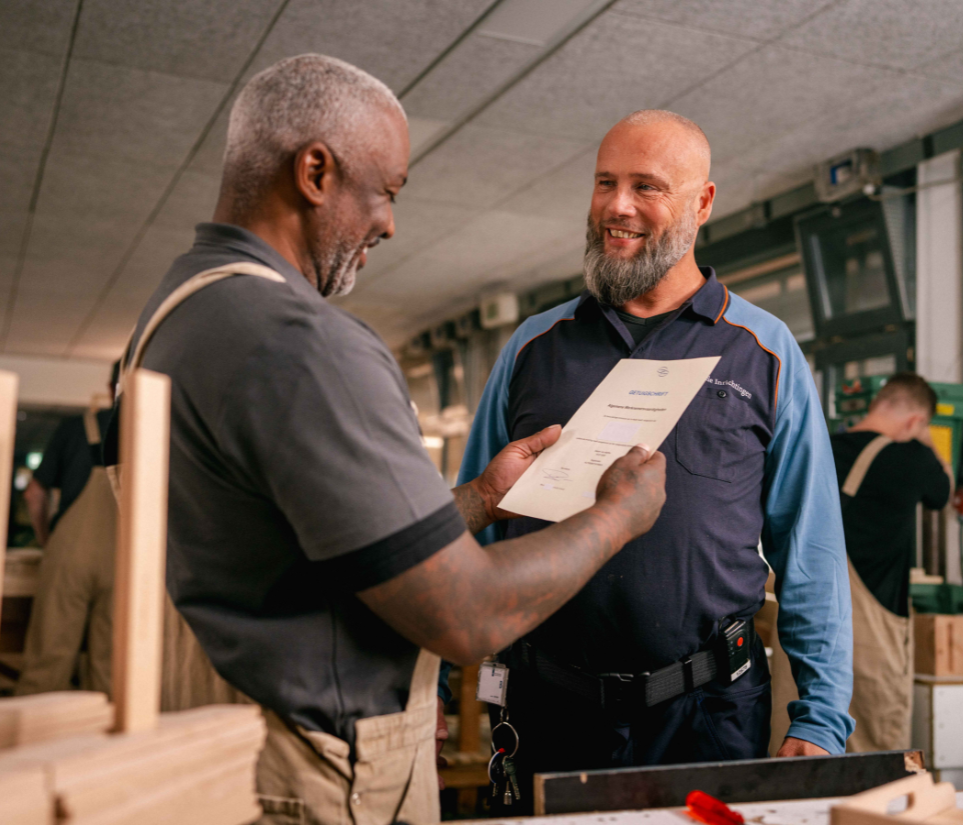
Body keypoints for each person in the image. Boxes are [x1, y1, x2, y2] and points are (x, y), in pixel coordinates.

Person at [109, 54, 666, 825]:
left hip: (204, 752)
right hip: (307, 776)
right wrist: (616, 517)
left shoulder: (173, 316)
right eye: (386, 193)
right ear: (314, 172)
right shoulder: (306, 344)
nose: (390, 223)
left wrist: (478, 498)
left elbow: (303, 539)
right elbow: (465, 616)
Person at [458, 109, 854, 808]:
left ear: (701, 203)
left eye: (646, 186)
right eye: (604, 182)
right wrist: (443, 685)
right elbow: (473, 520)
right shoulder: (533, 347)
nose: (616, 206)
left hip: (709, 715)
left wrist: (821, 715)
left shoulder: (761, 351)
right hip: (547, 709)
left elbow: (810, 548)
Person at [831, 373, 952, 752]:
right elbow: (942, 493)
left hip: (808, 610)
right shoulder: (913, 457)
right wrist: (928, 441)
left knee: (803, 740)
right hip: (874, 623)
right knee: (873, 742)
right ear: (915, 420)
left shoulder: (822, 446)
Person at [17, 362, 120, 695]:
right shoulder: (153, 432)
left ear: (111, 387)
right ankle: (106, 743)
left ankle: (34, 741)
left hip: (70, 553)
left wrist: (49, 540)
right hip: (126, 559)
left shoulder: (77, 427)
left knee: (49, 657)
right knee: (111, 664)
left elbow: (34, 493)